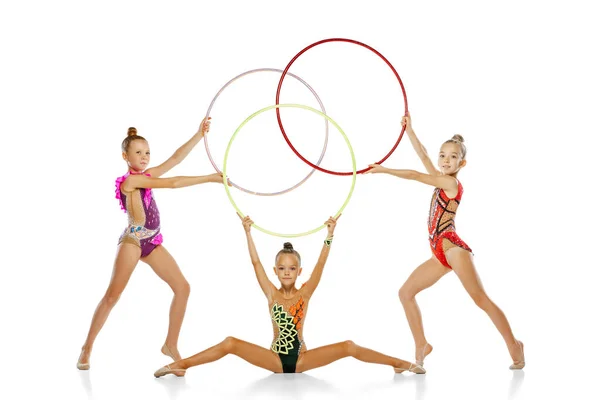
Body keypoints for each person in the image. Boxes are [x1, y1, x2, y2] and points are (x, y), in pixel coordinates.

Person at [154, 213, 423, 377]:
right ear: (276, 270)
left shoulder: (305, 293)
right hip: (274, 360)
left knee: (349, 346)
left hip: (302, 359)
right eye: (282, 268)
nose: (286, 272)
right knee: (230, 343)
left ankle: (399, 363)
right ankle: (180, 364)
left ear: (298, 271)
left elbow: (320, 266)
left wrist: (329, 235)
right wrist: (247, 232)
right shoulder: (270, 293)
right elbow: (256, 264)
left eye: (291, 268)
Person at [366, 113, 525, 370]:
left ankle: (514, 345)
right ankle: (421, 345)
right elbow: (424, 156)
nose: (445, 160)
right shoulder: (439, 179)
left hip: (453, 248)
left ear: (462, 163)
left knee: (480, 299)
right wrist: (409, 130)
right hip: (438, 252)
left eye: (452, 156)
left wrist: (385, 170)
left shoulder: (450, 182)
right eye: (443, 155)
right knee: (406, 293)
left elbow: (416, 175)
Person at [77, 118, 226, 370]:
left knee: (182, 287)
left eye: (147, 152)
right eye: (138, 153)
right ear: (126, 156)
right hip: (133, 241)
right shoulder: (131, 181)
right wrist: (209, 178)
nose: (144, 157)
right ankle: (87, 346)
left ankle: (170, 344)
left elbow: (175, 159)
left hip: (152, 241)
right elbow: (172, 182)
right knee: (113, 296)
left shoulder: (145, 174)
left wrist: (198, 134)